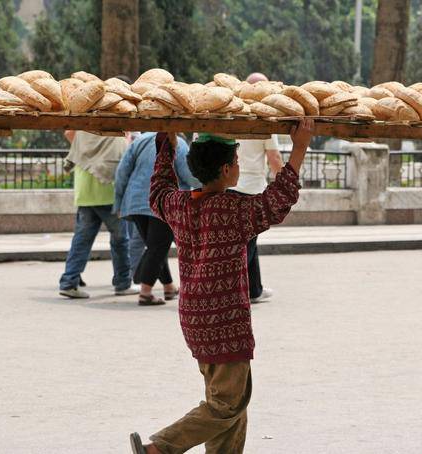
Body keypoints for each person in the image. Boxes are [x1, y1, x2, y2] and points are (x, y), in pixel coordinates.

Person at [129, 118, 314, 454]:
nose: (239, 168)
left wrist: (165, 144)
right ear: (228, 169)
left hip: (195, 320)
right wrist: (299, 147)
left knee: (229, 408)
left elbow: (158, 189)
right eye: (238, 163)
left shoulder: (179, 206)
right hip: (225, 325)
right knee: (227, 405)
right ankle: (159, 449)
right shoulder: (234, 210)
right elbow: (279, 199)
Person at [114, 132, 199, 306]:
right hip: (164, 203)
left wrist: (119, 202)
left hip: (136, 202)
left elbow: (122, 172)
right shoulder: (178, 143)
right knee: (157, 248)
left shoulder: (139, 141)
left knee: (155, 246)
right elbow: (188, 175)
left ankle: (169, 287)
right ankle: (146, 293)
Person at [58, 131, 138, 299]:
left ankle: (69, 282)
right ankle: (122, 283)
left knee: (81, 240)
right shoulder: (115, 133)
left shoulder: (82, 132)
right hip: (109, 193)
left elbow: (68, 133)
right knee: (120, 240)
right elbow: (126, 163)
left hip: (85, 192)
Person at [229, 72, 285, 303]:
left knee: (246, 240)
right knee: (247, 242)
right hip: (252, 190)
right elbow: (274, 158)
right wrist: (284, 186)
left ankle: (254, 289)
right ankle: (236, 290)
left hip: (229, 186)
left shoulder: (232, 116)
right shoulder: (265, 122)